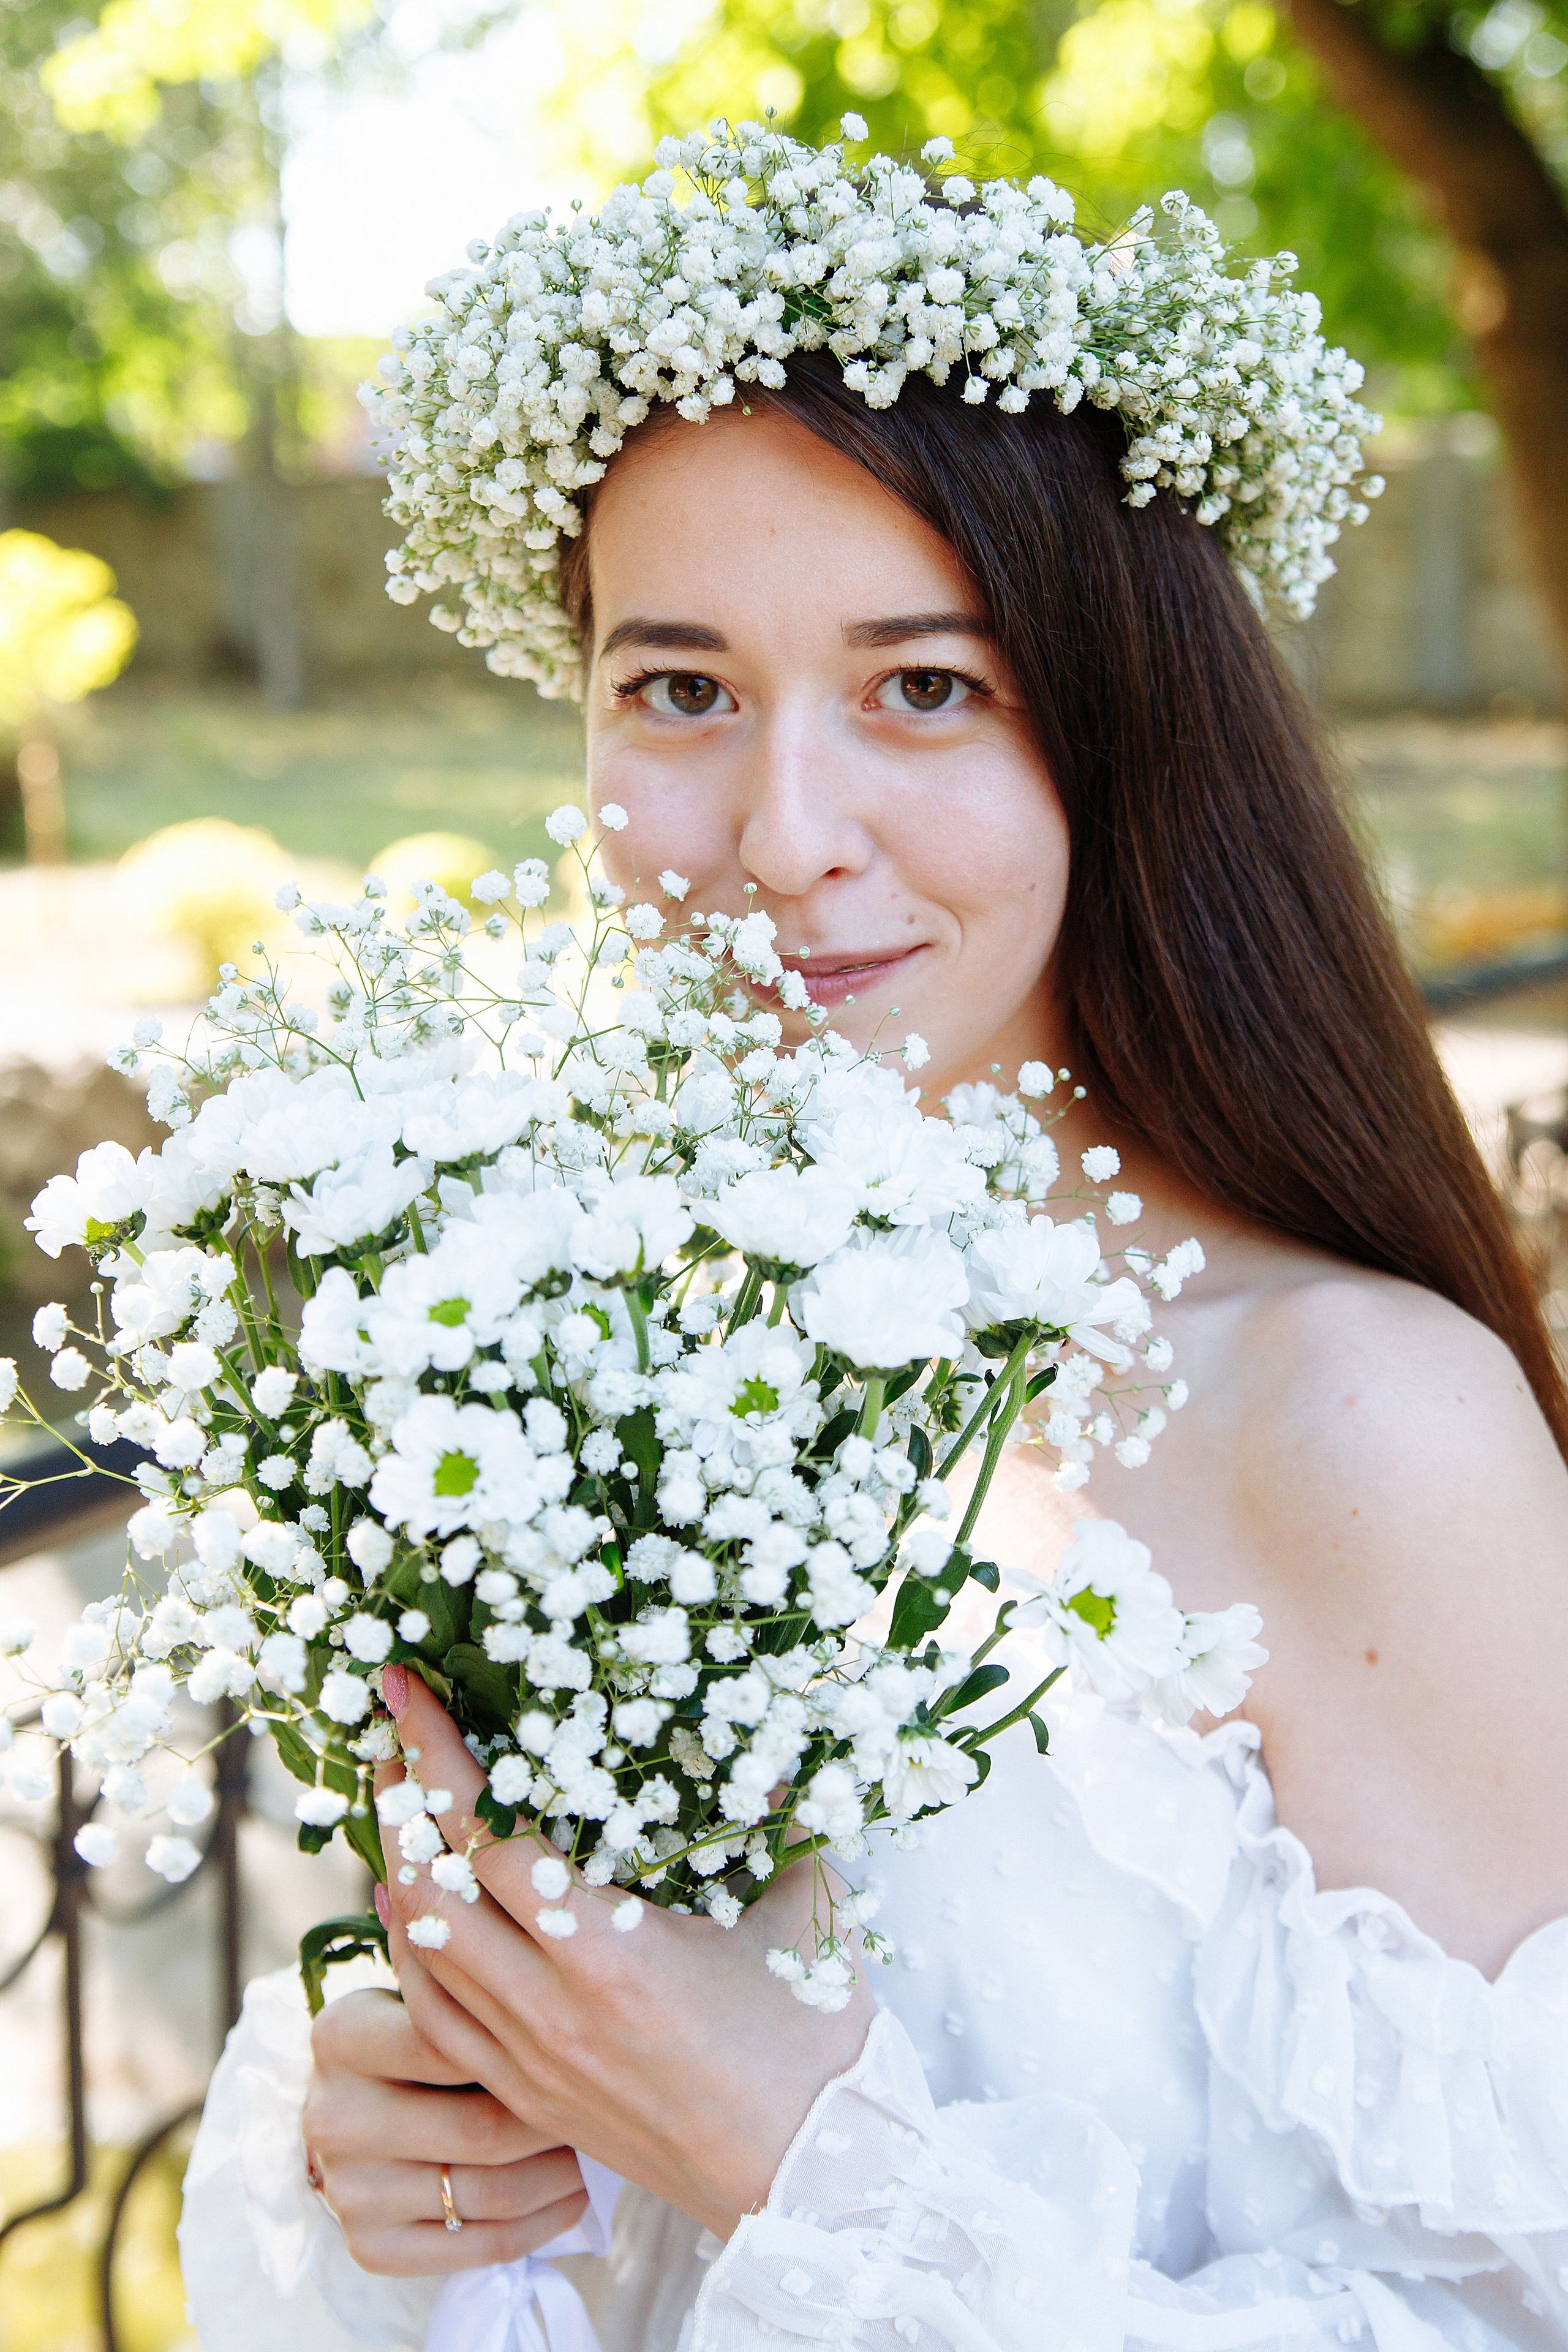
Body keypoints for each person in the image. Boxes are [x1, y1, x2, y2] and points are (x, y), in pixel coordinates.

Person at [179, 122, 1568, 2352]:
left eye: (925, 687)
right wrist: (420, 2149)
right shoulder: (585, 1337)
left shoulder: (1366, 1423)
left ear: (1122, 731)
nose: (782, 837)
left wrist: (801, 2165)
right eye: (681, 689)